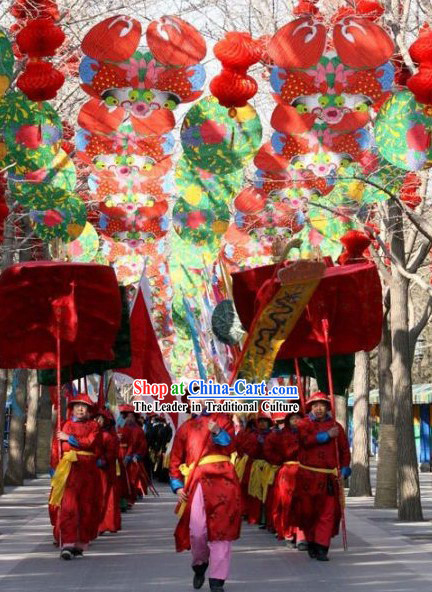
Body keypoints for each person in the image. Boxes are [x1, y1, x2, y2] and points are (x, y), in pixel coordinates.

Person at [169, 405, 241, 592]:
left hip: (224, 481)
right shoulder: (185, 427)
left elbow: (232, 446)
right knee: (197, 530)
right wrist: (177, 486)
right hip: (198, 481)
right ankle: (200, 564)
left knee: (221, 532)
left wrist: (217, 431)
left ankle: (217, 580)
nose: (201, 400)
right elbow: (175, 459)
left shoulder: (223, 420)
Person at [292, 392, 351, 561]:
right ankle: (311, 541)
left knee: (327, 513)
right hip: (307, 477)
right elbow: (305, 440)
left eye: (322, 405)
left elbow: (344, 450)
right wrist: (326, 436)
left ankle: (322, 547)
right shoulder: (303, 424)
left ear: (327, 407)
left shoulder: (336, 426)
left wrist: (345, 468)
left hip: (328, 479)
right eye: (315, 405)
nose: (319, 409)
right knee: (309, 513)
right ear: (310, 407)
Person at [49, 394, 102, 560]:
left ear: (88, 410)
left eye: (84, 406)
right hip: (69, 470)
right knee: (68, 506)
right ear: (72, 408)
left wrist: (69, 438)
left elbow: (90, 442)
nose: (80, 409)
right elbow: (56, 447)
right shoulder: (64, 425)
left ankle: (80, 542)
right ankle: (68, 543)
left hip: (87, 470)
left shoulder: (94, 426)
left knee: (86, 506)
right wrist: (54, 466)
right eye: (77, 405)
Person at [264, 411, 307, 549]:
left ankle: (301, 537)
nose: (296, 421)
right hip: (287, 472)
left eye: (298, 418)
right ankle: (288, 533)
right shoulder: (280, 435)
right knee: (286, 504)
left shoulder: (309, 433)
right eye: (293, 418)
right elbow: (269, 451)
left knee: (303, 505)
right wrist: (279, 461)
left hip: (305, 472)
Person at [239, 411, 273, 526]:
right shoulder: (252, 436)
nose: (263, 424)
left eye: (265, 422)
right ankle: (255, 517)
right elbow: (247, 449)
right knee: (255, 493)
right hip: (255, 467)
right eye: (260, 422)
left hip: (269, 467)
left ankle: (266, 519)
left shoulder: (273, 435)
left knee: (268, 494)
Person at [95, 409, 121, 535]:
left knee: (104, 496)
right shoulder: (95, 433)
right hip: (94, 469)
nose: (97, 421)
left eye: (100, 419)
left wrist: (102, 460)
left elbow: (111, 454)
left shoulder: (109, 436)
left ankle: (103, 523)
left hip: (105, 471)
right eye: (97, 418)